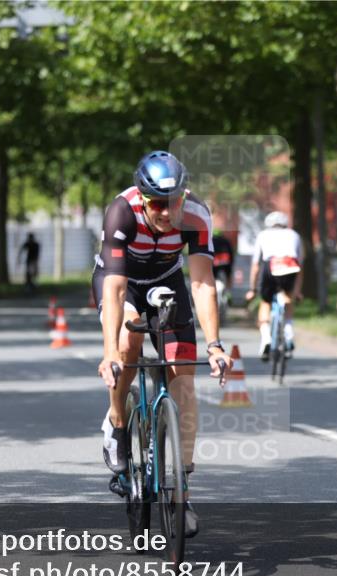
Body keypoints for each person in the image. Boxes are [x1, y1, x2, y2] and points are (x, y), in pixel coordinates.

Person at [94, 151, 233, 537]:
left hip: (167, 279)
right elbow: (117, 288)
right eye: (157, 203)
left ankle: (182, 488)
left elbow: (203, 283)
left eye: (173, 203)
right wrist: (109, 355)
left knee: (183, 379)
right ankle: (118, 422)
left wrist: (215, 345)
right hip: (122, 280)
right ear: (142, 197)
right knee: (127, 343)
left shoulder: (196, 216)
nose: (166, 213)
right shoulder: (123, 212)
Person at [245, 211, 304, 361]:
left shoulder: (263, 235)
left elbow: (256, 266)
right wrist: (297, 292)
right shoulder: (294, 235)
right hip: (289, 265)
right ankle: (289, 334)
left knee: (265, 303)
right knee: (287, 298)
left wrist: (252, 289)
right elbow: (300, 265)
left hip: (270, 265)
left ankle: (266, 339)